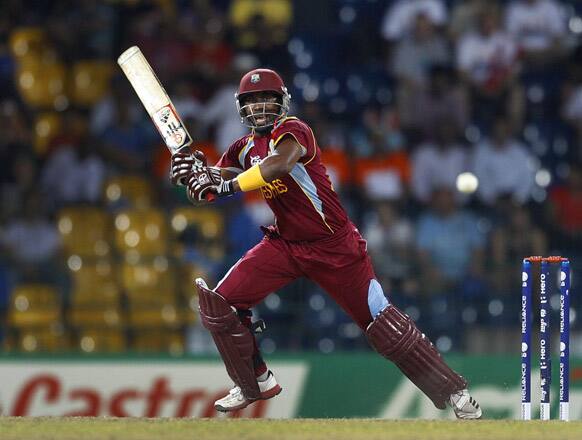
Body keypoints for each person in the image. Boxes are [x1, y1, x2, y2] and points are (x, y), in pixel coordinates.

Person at [169, 68, 482, 419]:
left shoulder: (294, 130)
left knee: (383, 326)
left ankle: (455, 392)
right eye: (252, 101)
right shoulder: (242, 148)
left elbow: (278, 165)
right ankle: (254, 381)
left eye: (266, 99)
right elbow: (212, 189)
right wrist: (193, 175)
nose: (259, 107)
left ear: (281, 102)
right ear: (241, 108)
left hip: (335, 246)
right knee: (219, 304)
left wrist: (225, 184)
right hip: (285, 245)